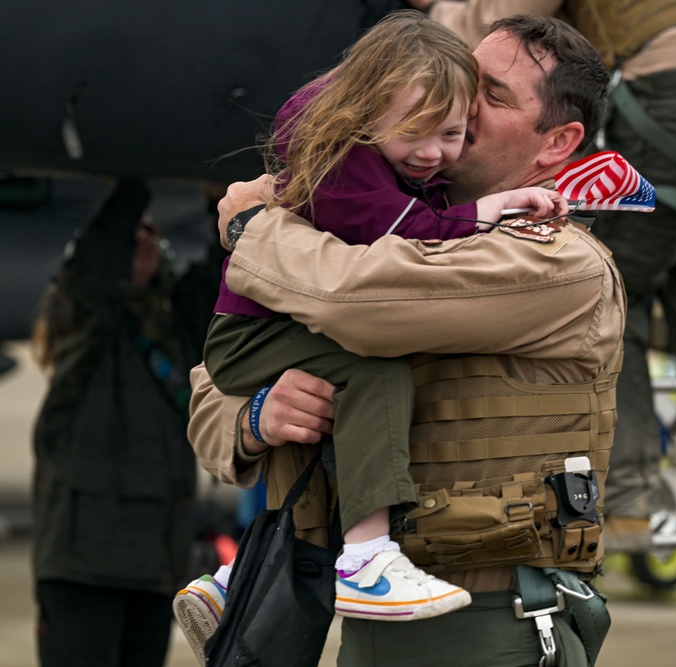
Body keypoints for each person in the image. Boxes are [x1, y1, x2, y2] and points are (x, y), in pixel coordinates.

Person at [188, 15, 621, 666]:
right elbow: (213, 383)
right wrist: (257, 415)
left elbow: (358, 300)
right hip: (367, 624)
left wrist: (255, 226)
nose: (459, 105)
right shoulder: (372, 226)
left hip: (488, 626)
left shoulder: (557, 265)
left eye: (492, 97)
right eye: (459, 82)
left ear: (557, 141)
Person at [407, 0, 676, 549]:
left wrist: (433, 34)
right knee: (663, 207)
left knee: (616, 280)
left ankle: (628, 493)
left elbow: (505, 18)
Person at [30, 179, 224, 667]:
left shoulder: (176, 331)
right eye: (131, 235)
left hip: (156, 566)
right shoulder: (84, 327)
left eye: (151, 236)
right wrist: (137, 179)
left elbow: (223, 282)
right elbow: (94, 266)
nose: (141, 241)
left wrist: (217, 201)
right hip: (82, 569)